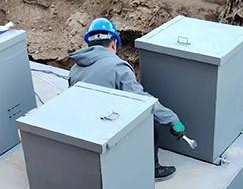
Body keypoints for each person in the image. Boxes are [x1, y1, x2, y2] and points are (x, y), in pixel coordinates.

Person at [69, 18, 185, 180]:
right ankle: (152, 169)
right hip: (107, 129)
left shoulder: (74, 69)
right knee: (150, 122)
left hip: (84, 129)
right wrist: (173, 120)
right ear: (113, 43)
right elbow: (143, 101)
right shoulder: (118, 67)